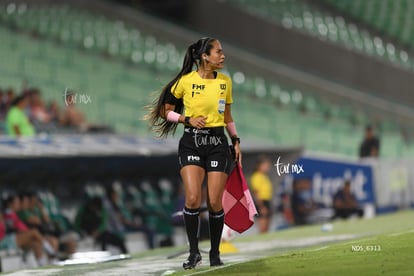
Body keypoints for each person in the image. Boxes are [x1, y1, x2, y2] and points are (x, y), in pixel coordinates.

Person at [147, 37, 241, 269]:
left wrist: (236, 140)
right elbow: (164, 111)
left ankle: (215, 252)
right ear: (204, 56)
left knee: (215, 201)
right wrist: (186, 119)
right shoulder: (185, 82)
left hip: (218, 144)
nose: (223, 56)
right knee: (191, 199)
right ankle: (193, 252)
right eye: (218, 52)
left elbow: (227, 116)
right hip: (192, 142)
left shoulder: (225, 82)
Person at [250, 156, 273, 233]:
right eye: (265, 165)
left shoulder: (265, 176)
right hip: (261, 201)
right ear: (259, 166)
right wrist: (261, 206)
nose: (267, 167)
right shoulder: (256, 176)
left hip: (267, 200)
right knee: (263, 223)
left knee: (267, 223)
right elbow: (256, 193)